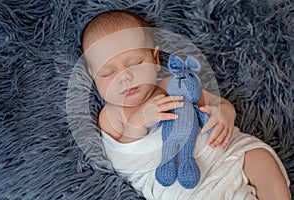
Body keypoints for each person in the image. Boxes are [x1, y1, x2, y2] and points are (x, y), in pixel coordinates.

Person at [81, 10, 290, 200]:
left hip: (223, 156)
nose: (124, 77)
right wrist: (138, 122)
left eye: (135, 63)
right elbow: (123, 162)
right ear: (93, 77)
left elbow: (215, 102)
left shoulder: (173, 83)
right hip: (186, 189)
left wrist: (225, 113)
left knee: (260, 158)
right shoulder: (111, 114)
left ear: (154, 58)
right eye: (107, 72)